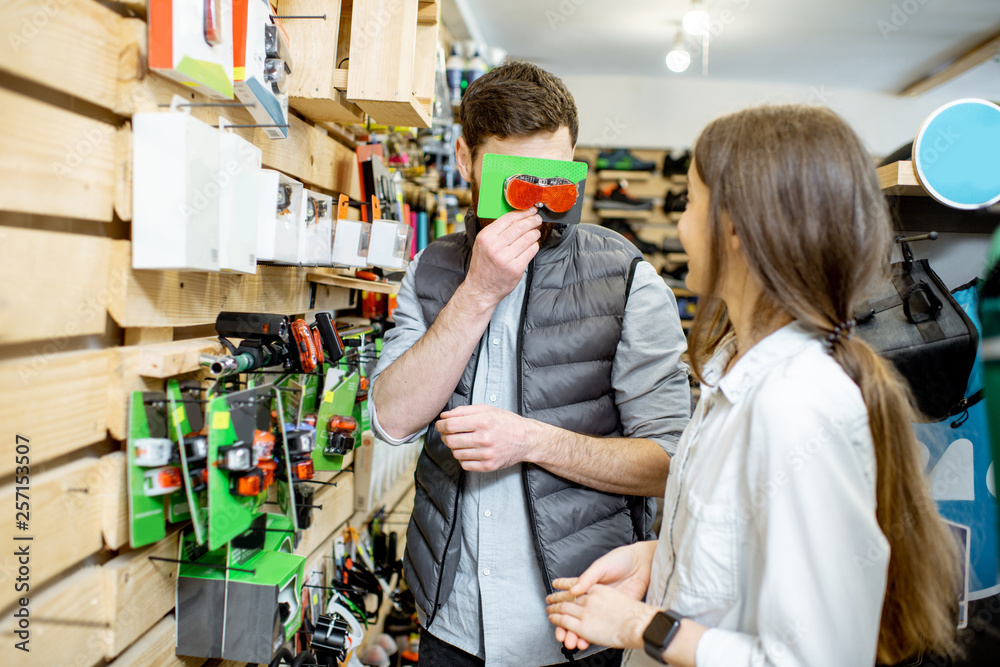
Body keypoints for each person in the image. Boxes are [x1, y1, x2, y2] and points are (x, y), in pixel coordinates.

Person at [545, 105, 961, 667]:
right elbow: (742, 550)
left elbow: (818, 658)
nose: (679, 224)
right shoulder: (734, 371)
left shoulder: (797, 405)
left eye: (691, 203)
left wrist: (643, 625)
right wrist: (658, 559)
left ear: (736, 227)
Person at [369, 61, 691, 667]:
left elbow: (667, 465)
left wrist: (531, 440)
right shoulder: (434, 270)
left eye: (557, 177)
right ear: (464, 160)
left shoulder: (628, 281)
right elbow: (391, 420)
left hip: (577, 621)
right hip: (450, 617)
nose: (539, 206)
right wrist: (478, 292)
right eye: (516, 180)